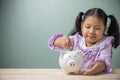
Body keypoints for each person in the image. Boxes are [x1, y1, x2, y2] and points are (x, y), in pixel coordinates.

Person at [48, 8, 120, 75]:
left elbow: (105, 61)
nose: (91, 31)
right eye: (88, 27)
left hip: (95, 77)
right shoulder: (76, 40)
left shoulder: (105, 43)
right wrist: (61, 41)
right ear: (82, 26)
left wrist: (99, 66)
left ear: (104, 29)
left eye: (97, 28)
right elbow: (53, 42)